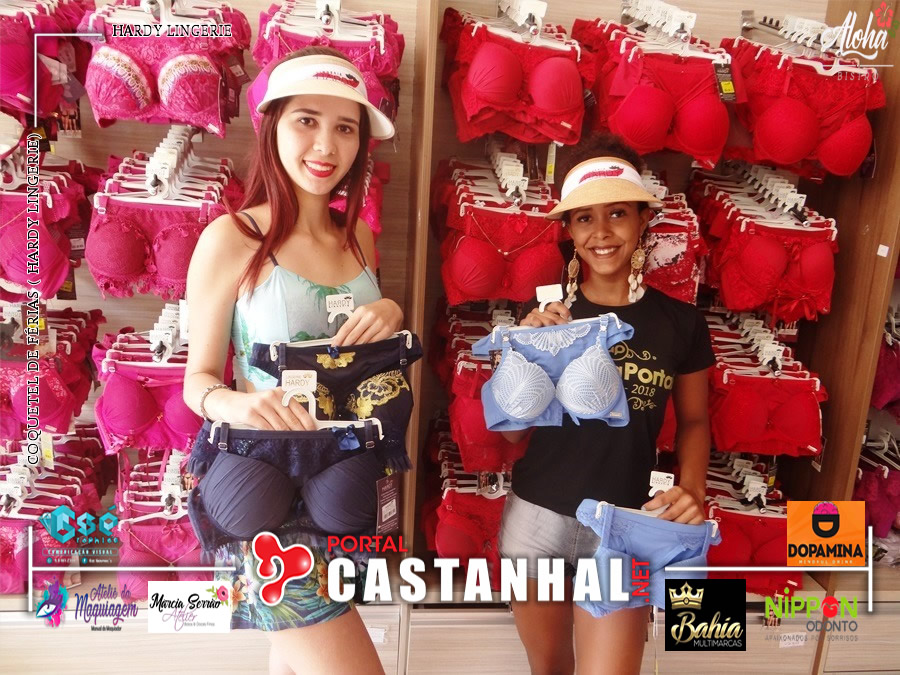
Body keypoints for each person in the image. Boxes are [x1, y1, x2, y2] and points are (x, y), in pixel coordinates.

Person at [182, 48, 401, 675]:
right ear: (272, 123)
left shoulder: (359, 238)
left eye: (345, 127)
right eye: (307, 120)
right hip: (260, 491)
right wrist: (239, 403)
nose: (325, 145)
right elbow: (197, 380)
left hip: (345, 486)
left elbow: (359, 353)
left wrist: (390, 311)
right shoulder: (232, 239)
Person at [497, 135, 715, 675]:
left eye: (617, 213)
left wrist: (692, 491)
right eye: (584, 218)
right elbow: (510, 434)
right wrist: (526, 355)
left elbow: (694, 421)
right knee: (549, 669)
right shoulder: (545, 315)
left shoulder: (681, 324)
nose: (601, 232)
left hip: (626, 527)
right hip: (537, 520)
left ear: (643, 219)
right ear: (569, 231)